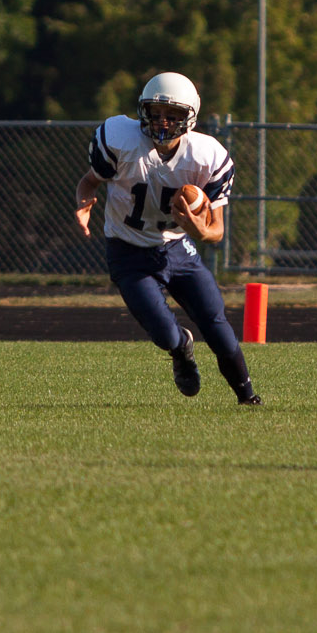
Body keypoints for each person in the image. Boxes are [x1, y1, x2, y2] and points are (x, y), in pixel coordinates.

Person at [74, 71, 260, 405]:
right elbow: (89, 181)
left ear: (189, 117)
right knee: (164, 333)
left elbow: (217, 230)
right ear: (142, 110)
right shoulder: (120, 139)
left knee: (215, 323)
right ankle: (181, 349)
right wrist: (84, 203)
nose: (162, 121)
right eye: (156, 112)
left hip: (177, 247)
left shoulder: (206, 156)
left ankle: (247, 398)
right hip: (128, 251)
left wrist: (201, 231)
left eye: (172, 115)